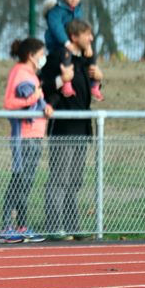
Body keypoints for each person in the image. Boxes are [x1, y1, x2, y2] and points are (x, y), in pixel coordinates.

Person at [39, 19, 103, 240]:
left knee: (75, 181)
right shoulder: (58, 57)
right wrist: (60, 79)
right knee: (59, 179)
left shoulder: (84, 61)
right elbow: (44, 85)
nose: (91, 38)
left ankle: (72, 226)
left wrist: (98, 79)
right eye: (87, 34)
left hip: (82, 129)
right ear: (74, 36)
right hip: (63, 128)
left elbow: (86, 90)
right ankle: (54, 227)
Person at [0, 37, 53, 244]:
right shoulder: (19, 72)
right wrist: (34, 97)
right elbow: (10, 102)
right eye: (41, 54)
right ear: (31, 55)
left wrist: (45, 105)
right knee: (19, 180)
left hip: (35, 135)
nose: (43, 58)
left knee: (26, 183)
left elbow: (36, 100)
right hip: (24, 136)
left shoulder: (31, 74)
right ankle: (6, 227)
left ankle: (21, 226)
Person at [43, 0, 103, 101]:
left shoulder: (78, 10)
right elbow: (57, 28)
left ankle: (94, 83)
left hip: (72, 42)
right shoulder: (57, 11)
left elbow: (80, 28)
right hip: (58, 44)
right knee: (66, 55)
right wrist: (66, 42)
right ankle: (67, 82)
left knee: (91, 54)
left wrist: (87, 45)